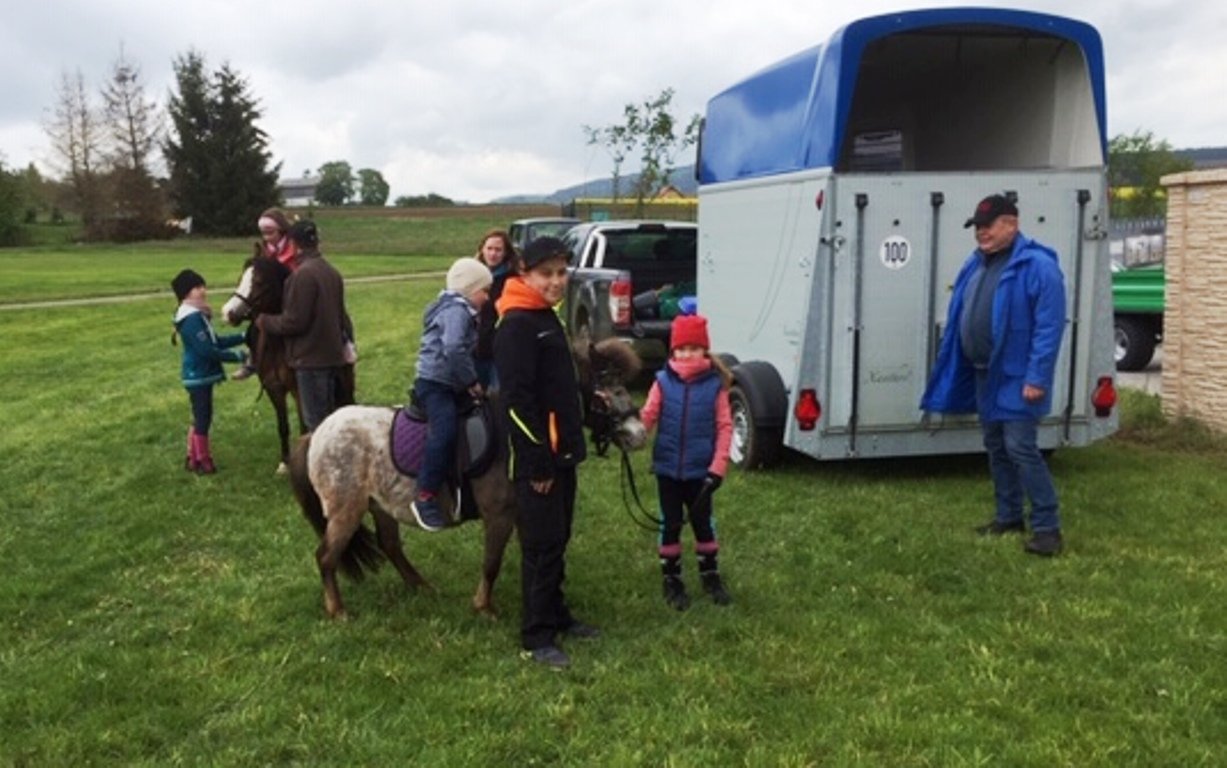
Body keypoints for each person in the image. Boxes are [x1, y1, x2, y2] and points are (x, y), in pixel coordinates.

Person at [921, 194, 1068, 556]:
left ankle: (1048, 529)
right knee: (996, 447)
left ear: (1012, 224)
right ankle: (1009, 516)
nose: (982, 233)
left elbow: (1049, 329)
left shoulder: (1038, 266)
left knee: (1021, 448)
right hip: (984, 372)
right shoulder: (978, 264)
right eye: (978, 227)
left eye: (989, 226)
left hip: (1018, 377)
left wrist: (1037, 378)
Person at [493, 236, 598, 670]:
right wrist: (537, 461)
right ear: (525, 274)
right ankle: (536, 635)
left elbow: (558, 385)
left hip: (563, 453)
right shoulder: (517, 322)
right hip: (538, 459)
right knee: (540, 545)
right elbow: (517, 402)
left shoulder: (545, 316)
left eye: (561, 272)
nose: (556, 281)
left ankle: (557, 614)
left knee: (558, 538)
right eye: (546, 274)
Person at [639, 310, 734, 609]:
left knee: (703, 524)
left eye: (693, 348)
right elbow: (648, 416)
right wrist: (633, 431)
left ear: (704, 350)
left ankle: (710, 573)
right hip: (668, 470)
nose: (687, 355)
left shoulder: (715, 386)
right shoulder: (662, 383)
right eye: (681, 349)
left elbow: (724, 427)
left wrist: (718, 467)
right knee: (670, 524)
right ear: (673, 350)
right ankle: (672, 578)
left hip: (700, 472)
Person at [408, 257, 493, 532]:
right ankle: (425, 494)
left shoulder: (459, 308)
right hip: (436, 384)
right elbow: (454, 347)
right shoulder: (456, 311)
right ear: (469, 289)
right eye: (484, 291)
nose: (488, 297)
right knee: (444, 431)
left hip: (450, 382)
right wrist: (471, 380)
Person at [257, 219, 355, 432]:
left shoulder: (301, 276)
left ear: (294, 244)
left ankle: (317, 466)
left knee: (316, 426)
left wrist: (265, 321)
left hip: (310, 360)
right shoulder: (332, 272)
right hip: (332, 356)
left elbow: (294, 322)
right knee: (331, 421)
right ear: (317, 242)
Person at [170, 269, 248, 474]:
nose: (203, 291)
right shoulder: (192, 319)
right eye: (198, 288)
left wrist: (244, 336)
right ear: (186, 293)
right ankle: (203, 460)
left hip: (199, 375)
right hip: (198, 375)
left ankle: (193, 458)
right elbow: (207, 350)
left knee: (199, 416)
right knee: (203, 418)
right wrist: (238, 356)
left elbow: (217, 341)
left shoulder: (195, 316)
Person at [233, 208, 299, 381]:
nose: (267, 237)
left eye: (271, 232)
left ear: (281, 229)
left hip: (294, 293)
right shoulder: (263, 251)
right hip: (271, 297)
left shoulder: (294, 246)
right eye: (264, 233)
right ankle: (253, 360)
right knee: (253, 328)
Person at [473, 230, 516, 390]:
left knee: (497, 397)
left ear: (506, 253)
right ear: (482, 249)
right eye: (489, 248)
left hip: (499, 352)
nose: (493, 254)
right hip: (474, 348)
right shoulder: (472, 277)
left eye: (498, 250)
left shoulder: (511, 280)